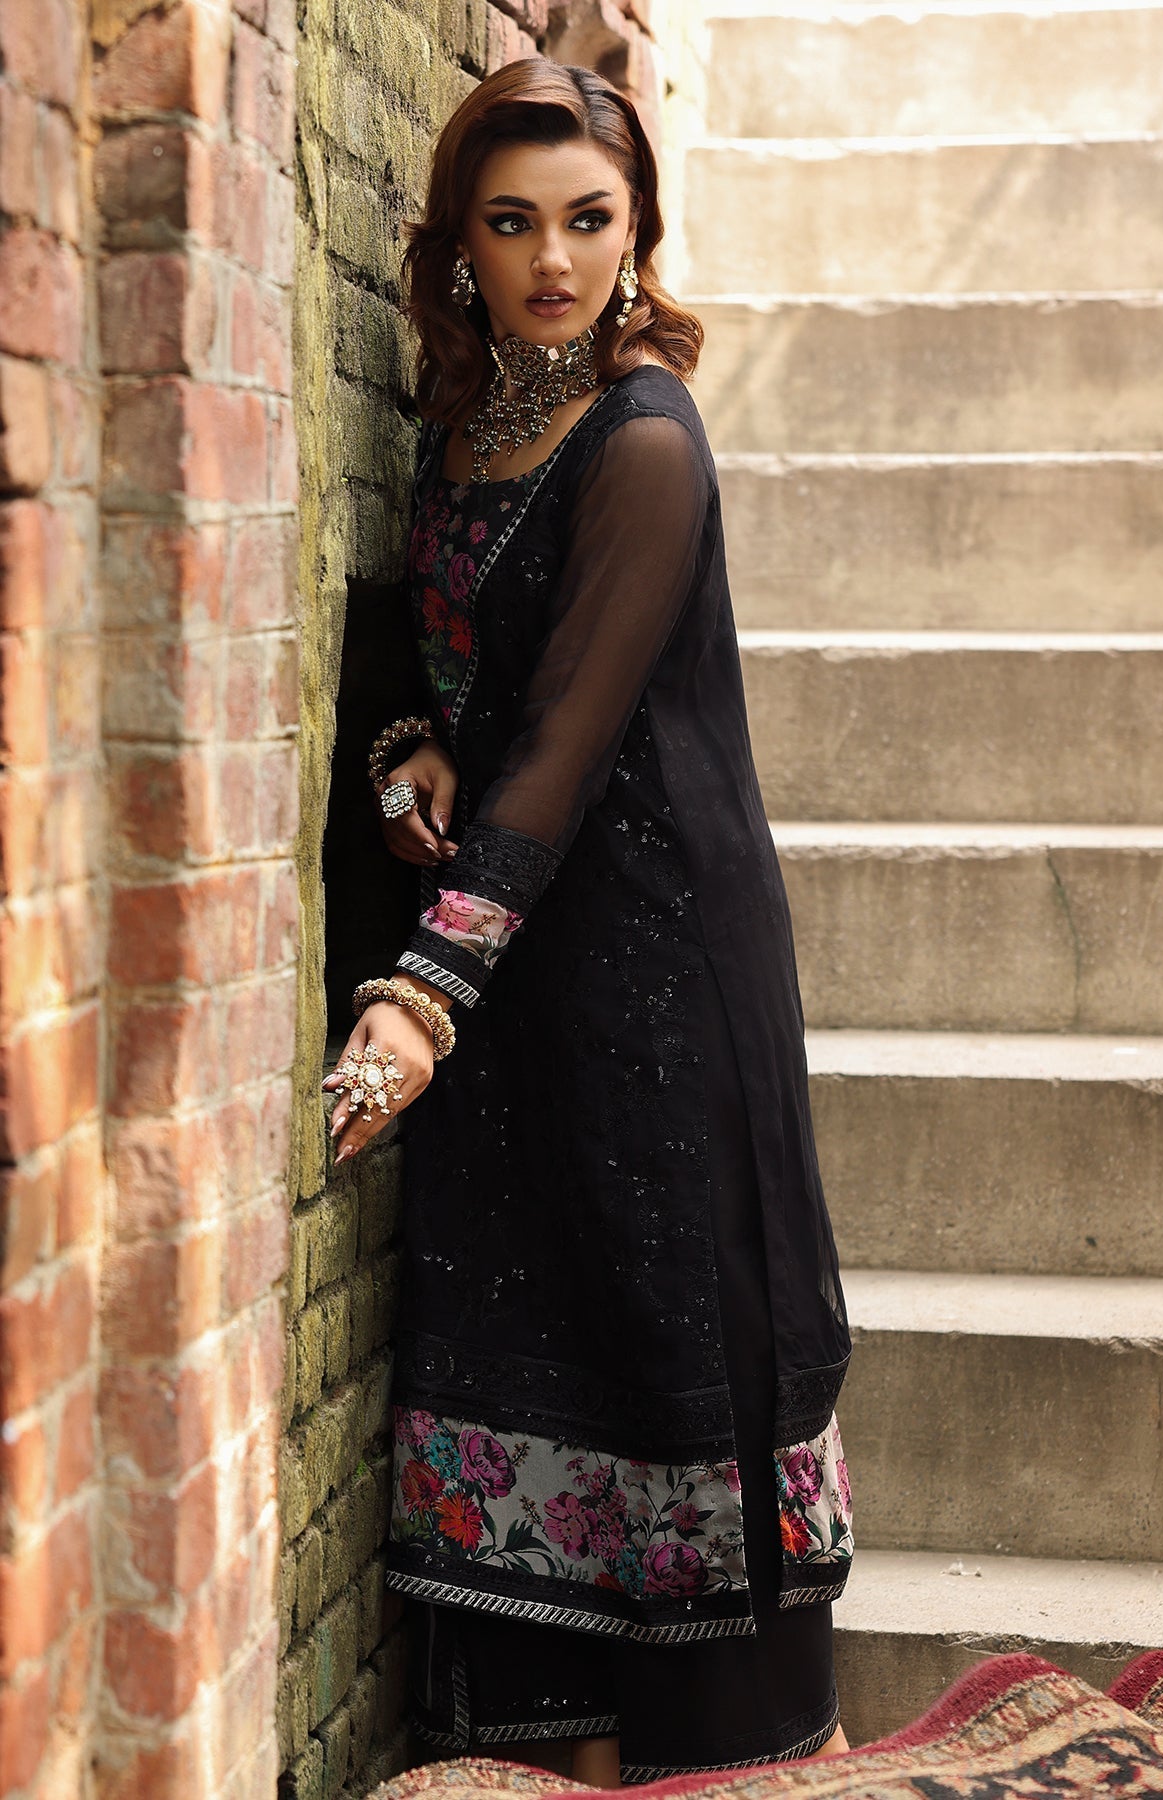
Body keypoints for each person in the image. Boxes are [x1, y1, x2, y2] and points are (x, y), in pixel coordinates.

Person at [323, 59, 854, 1788]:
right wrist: (409, 746)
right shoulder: (465, 426)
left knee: (663, 1335)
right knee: (534, 1332)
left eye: (589, 219)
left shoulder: (644, 439)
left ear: (638, 232)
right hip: (522, 957)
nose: (552, 259)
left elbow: (559, 744)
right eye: (511, 222)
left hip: (655, 964)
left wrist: (420, 993)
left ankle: (735, 1765)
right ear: (457, 244)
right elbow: (448, 667)